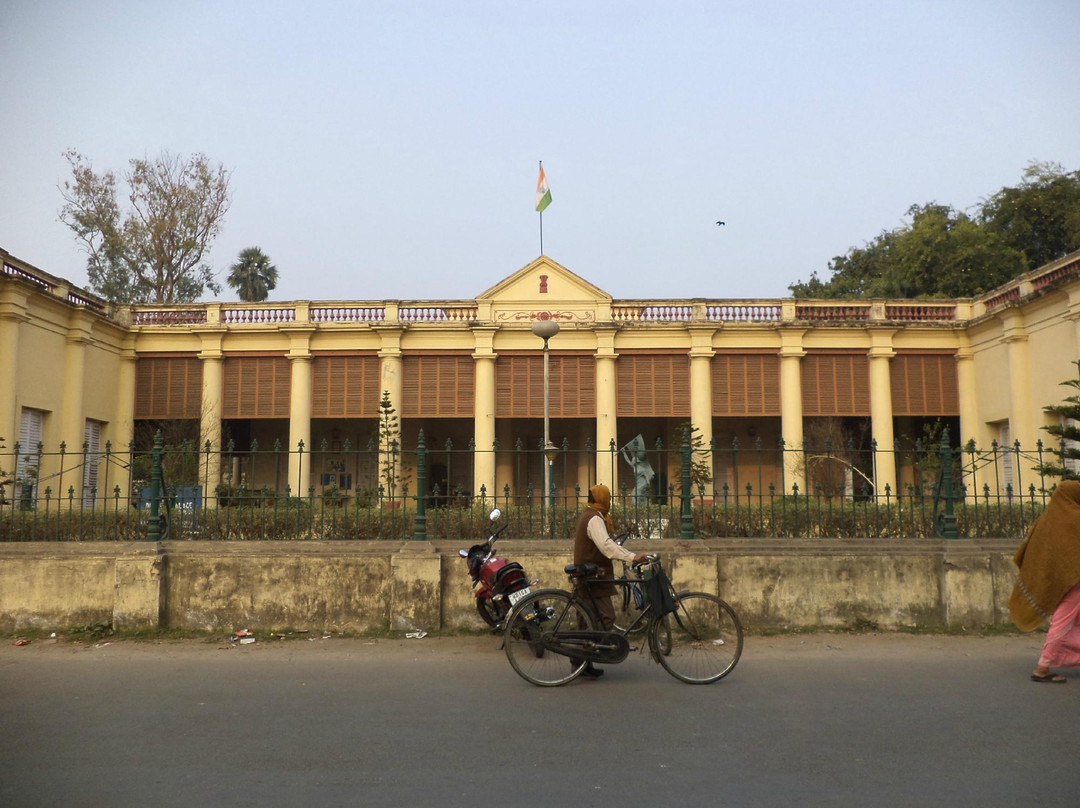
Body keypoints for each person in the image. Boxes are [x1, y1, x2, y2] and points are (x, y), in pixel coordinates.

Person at [572, 483, 649, 677]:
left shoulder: (593, 515)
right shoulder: (594, 519)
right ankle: (586, 655)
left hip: (591, 575)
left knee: (587, 620)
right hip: (593, 577)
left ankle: (582, 664)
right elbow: (607, 546)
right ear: (603, 500)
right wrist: (632, 557)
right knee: (606, 617)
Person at [1008, 480, 1080, 683]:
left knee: (1072, 621)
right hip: (1074, 580)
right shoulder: (1075, 518)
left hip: (1060, 579)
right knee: (1064, 620)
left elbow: (1035, 550)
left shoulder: (1047, 518)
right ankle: (1043, 667)